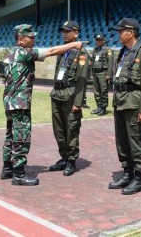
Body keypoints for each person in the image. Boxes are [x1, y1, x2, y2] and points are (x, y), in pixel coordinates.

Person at [2, 24, 86, 186]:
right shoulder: (24, 52)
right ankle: (18, 174)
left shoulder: (11, 54)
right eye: (30, 37)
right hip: (20, 103)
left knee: (10, 135)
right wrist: (75, 44)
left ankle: (7, 168)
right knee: (21, 137)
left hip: (10, 101)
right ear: (20, 39)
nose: (34, 40)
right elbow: (52, 51)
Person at [108, 18, 141, 195]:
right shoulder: (123, 52)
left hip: (134, 103)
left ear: (132, 32)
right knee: (122, 140)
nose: (119, 34)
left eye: (121, 31)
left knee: (136, 140)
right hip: (120, 101)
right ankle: (127, 173)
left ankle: (138, 177)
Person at [48, 20, 88, 176]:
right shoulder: (63, 51)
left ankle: (71, 160)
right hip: (57, 94)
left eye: (67, 31)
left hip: (71, 96)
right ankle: (64, 157)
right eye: (62, 31)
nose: (64, 33)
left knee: (71, 129)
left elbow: (82, 80)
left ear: (76, 33)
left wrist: (78, 103)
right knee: (58, 129)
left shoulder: (81, 53)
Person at [90, 33, 113, 116]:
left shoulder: (108, 50)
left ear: (103, 40)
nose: (98, 41)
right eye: (97, 40)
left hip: (103, 73)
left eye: (100, 40)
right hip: (95, 73)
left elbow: (110, 63)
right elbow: (92, 62)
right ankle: (99, 107)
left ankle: (103, 108)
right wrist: (92, 73)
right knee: (96, 91)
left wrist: (109, 75)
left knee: (103, 91)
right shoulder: (95, 49)